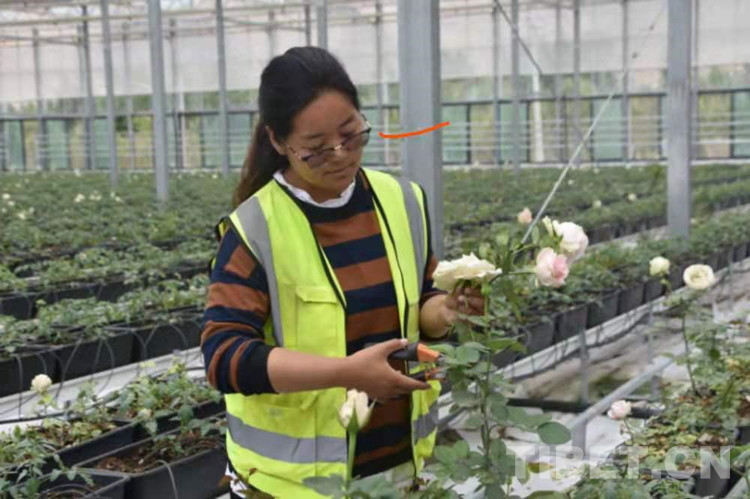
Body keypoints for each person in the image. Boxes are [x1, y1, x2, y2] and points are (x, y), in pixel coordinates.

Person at [201, 46, 484, 498]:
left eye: (351, 135)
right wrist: (346, 372)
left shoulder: (402, 200)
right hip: (290, 486)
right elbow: (224, 357)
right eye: (316, 150)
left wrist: (447, 311)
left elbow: (422, 299)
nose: (339, 155)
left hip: (397, 471)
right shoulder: (255, 228)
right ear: (279, 142)